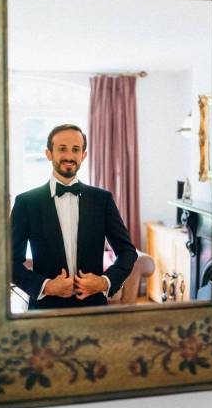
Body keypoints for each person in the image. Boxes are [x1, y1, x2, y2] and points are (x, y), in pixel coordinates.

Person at [11, 123, 138, 309]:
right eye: (62, 149)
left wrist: (105, 282)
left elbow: (128, 252)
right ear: (49, 153)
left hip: (93, 309)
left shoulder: (102, 200)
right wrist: (46, 286)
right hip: (44, 311)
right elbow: (10, 262)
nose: (69, 156)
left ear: (83, 155)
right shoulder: (26, 202)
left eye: (75, 149)